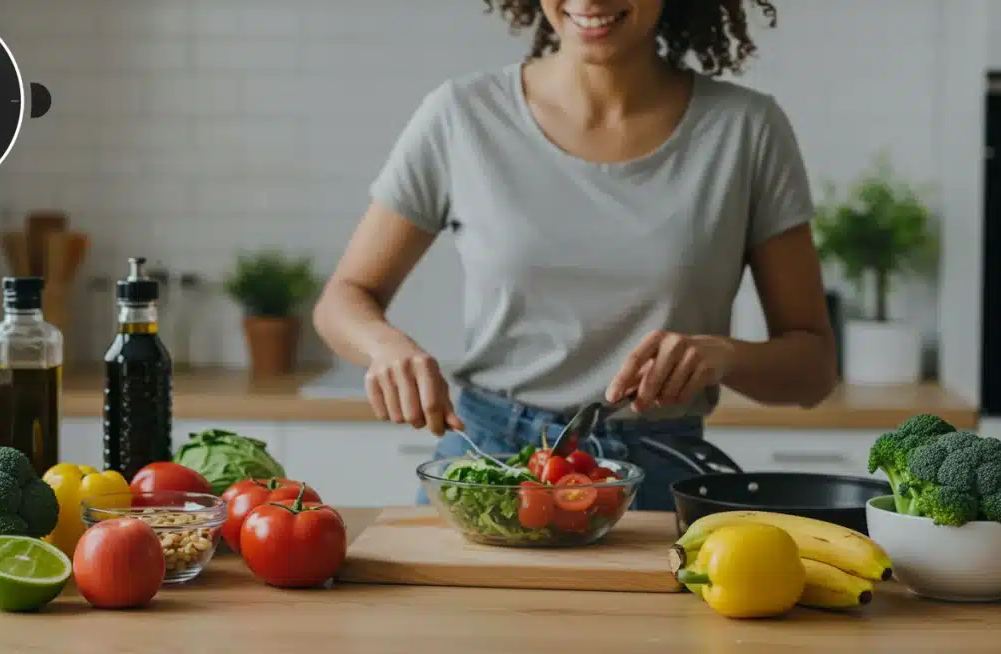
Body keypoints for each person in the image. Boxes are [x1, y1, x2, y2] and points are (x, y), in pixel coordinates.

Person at [312, 0, 838, 510]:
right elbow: (343, 297)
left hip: (660, 479)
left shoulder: (748, 129)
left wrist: (723, 356)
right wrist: (384, 347)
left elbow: (813, 369)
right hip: (491, 466)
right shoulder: (462, 116)